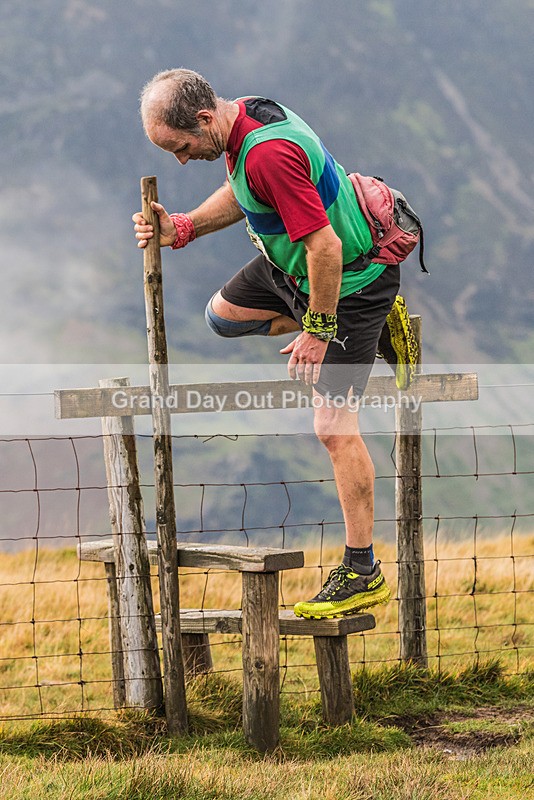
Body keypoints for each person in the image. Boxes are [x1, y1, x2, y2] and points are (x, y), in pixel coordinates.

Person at [133, 68, 417, 619]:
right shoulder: (242, 118)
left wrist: (318, 328)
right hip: (289, 269)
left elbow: (326, 247)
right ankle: (359, 321)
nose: (182, 159)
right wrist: (184, 228)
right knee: (223, 317)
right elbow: (245, 194)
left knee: (333, 429)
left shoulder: (268, 153)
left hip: (350, 281)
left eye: (181, 146)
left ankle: (363, 570)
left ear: (202, 118)